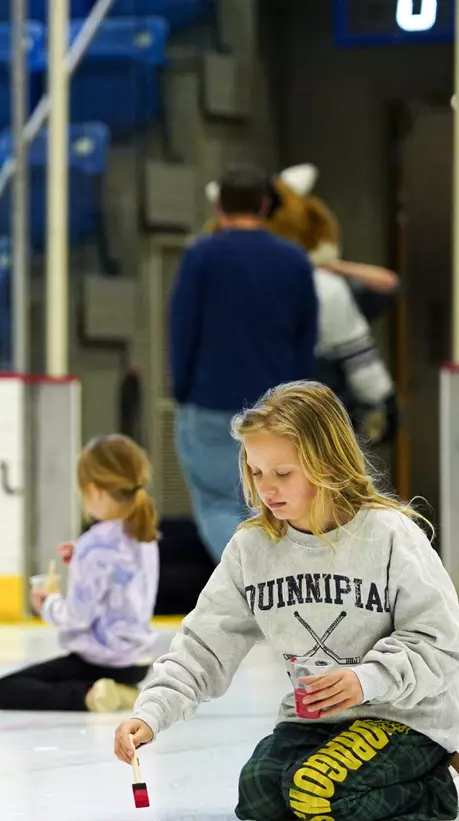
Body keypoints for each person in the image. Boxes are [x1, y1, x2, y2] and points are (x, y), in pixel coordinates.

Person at [113, 381, 459, 821]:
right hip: (315, 722)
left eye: (283, 473)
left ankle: (439, 788)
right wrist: (151, 714)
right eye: (256, 472)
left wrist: (367, 679)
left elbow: (442, 642)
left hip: (402, 718)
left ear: (327, 462)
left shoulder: (388, 535)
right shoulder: (253, 548)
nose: (266, 488)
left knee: (314, 793)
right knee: (259, 796)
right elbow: (205, 644)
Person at [170, 162, 319, 565]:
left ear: (218, 206)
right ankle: (284, 584)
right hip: (278, 407)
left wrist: (183, 392)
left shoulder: (201, 256)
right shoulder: (294, 261)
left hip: (209, 399)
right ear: (267, 205)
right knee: (276, 501)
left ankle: (251, 581)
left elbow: (183, 328)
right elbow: (306, 337)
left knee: (219, 503)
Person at [0, 435, 160, 714]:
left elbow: (77, 618)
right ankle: (119, 690)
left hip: (101, 661)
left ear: (93, 490)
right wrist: (80, 557)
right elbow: (117, 575)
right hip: (138, 662)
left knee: (6, 689)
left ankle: (92, 694)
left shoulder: (94, 545)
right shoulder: (143, 533)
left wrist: (48, 603)